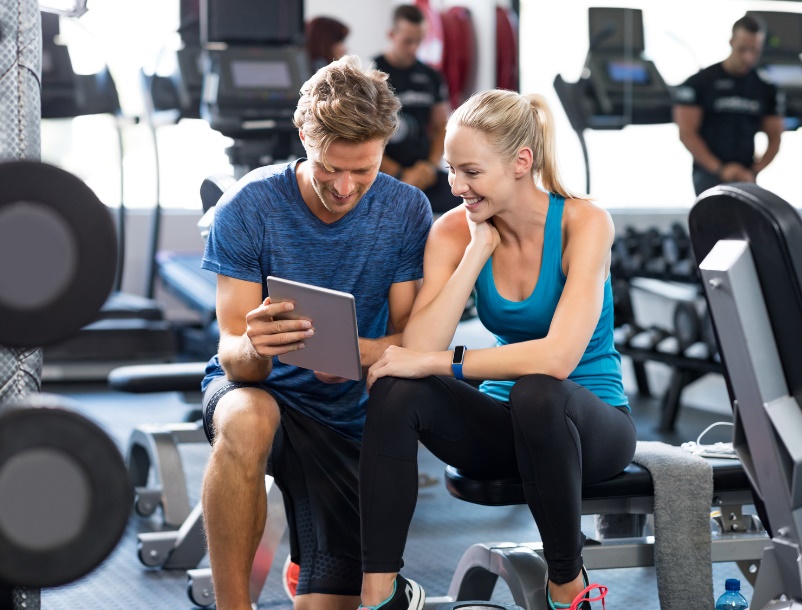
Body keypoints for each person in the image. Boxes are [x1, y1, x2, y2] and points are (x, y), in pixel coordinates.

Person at [356, 89, 636, 610]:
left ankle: (567, 586)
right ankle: (381, 594)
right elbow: (418, 348)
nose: (455, 186)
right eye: (451, 170)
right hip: (504, 427)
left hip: (588, 428)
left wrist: (438, 363)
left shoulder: (584, 223)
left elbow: (556, 360)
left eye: (471, 172)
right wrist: (475, 252)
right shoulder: (452, 230)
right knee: (396, 387)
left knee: (538, 391)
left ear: (520, 163)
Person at [199, 55, 432, 610]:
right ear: (304, 136)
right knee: (249, 416)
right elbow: (232, 354)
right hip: (260, 391)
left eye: (364, 170)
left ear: (384, 147)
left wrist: (356, 354)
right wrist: (255, 346)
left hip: (348, 413)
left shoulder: (406, 210)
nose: (345, 187)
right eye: (330, 167)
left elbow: (414, 338)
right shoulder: (249, 206)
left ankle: (309, 564)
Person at [673, 14, 783, 196]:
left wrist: (755, 169)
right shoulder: (700, 82)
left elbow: (775, 136)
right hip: (708, 172)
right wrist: (720, 169)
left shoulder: (765, 88)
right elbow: (687, 134)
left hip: (746, 175)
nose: (747, 57)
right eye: (742, 49)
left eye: (754, 51)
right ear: (731, 42)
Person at [373, 4, 458, 214]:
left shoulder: (431, 76)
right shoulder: (370, 73)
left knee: (465, 201)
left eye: (418, 41)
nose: (413, 48)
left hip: (423, 172)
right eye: (407, 41)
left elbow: (442, 126)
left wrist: (429, 166)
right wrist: (400, 174)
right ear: (391, 35)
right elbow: (362, 137)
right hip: (383, 173)